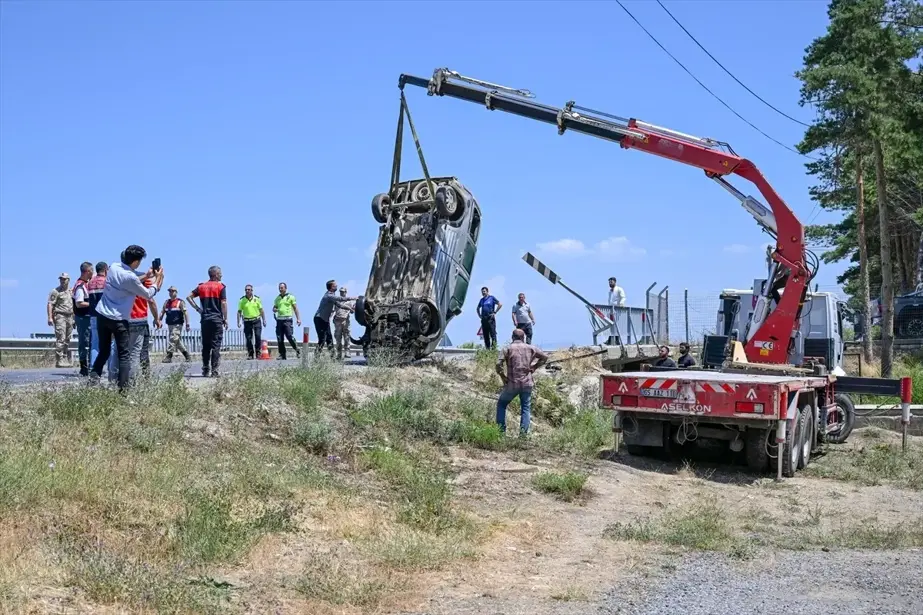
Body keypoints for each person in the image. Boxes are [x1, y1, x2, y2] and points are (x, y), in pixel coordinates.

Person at [90, 245, 164, 393]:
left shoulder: (114, 267)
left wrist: (147, 275)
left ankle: (93, 381)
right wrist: (159, 278)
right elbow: (149, 294)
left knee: (104, 351)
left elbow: (129, 280)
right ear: (136, 261)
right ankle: (123, 390)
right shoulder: (130, 278)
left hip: (102, 315)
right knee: (125, 355)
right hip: (118, 319)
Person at [494, 328, 548, 436]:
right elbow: (545, 357)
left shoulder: (507, 349)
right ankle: (523, 435)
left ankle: (500, 432)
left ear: (512, 337)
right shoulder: (531, 348)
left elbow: (498, 364)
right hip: (527, 383)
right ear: (523, 338)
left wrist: (502, 376)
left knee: (501, 404)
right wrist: (534, 367)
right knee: (525, 408)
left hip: (512, 383)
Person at [187, 266, 228, 377]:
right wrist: (226, 318)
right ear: (215, 274)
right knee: (216, 345)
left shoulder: (202, 287)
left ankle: (205, 369)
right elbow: (223, 304)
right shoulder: (221, 287)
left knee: (206, 345)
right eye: (220, 273)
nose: (221, 275)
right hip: (216, 319)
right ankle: (214, 370)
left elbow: (189, 297)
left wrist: (198, 309)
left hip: (205, 319)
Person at [313, 280, 355, 358]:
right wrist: (353, 298)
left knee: (329, 338)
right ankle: (317, 356)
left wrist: (350, 308)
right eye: (335, 285)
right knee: (322, 339)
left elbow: (340, 305)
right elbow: (340, 299)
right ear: (331, 287)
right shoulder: (329, 295)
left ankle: (332, 357)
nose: (336, 286)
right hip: (319, 319)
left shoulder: (332, 296)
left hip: (325, 320)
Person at [47, 272, 75, 368]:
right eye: (61, 279)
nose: (62, 281)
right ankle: (59, 360)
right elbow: (50, 304)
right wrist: (50, 317)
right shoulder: (56, 291)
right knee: (61, 338)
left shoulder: (72, 291)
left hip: (70, 316)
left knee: (67, 338)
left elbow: (74, 304)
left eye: (64, 279)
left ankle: (65, 357)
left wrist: (74, 318)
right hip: (60, 316)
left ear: (68, 280)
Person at [72, 262, 94, 376]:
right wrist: (92, 304)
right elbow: (79, 303)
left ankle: (89, 366)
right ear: (87, 271)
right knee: (84, 342)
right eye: (91, 270)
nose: (93, 273)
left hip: (87, 317)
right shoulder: (80, 286)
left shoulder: (86, 284)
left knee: (90, 341)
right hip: (83, 318)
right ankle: (84, 367)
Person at [162, 286, 192, 363]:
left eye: (172, 291)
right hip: (170, 325)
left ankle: (169, 356)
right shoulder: (166, 302)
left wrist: (187, 324)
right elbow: (162, 312)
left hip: (178, 324)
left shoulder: (180, 302)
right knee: (177, 341)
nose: (171, 293)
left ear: (176, 292)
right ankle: (187, 355)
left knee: (173, 339)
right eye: (170, 291)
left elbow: (185, 313)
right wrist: (158, 320)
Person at [86, 262, 108, 367]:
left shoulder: (90, 282)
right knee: (110, 342)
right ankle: (110, 368)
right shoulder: (106, 282)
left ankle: (93, 367)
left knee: (95, 343)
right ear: (105, 269)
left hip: (93, 315)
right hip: (105, 315)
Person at [273, 282, 302, 360]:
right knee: (279, 338)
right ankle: (282, 354)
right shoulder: (277, 298)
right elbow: (274, 308)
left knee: (289, 336)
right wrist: (274, 309)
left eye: (282, 288)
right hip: (279, 320)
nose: (280, 289)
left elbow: (295, 308)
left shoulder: (291, 297)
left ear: (285, 288)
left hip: (287, 320)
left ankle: (297, 350)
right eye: (279, 288)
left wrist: (298, 319)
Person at [237, 284, 266, 360]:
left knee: (257, 336)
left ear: (252, 290)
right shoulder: (242, 300)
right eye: (246, 290)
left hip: (256, 320)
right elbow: (239, 312)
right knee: (248, 338)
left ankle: (258, 352)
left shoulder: (257, 299)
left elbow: (261, 310)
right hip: (247, 321)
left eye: (249, 289)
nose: (247, 291)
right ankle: (250, 354)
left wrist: (264, 320)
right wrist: (238, 322)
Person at [332, 286, 355, 360]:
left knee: (347, 337)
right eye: (341, 292)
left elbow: (352, 311)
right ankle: (339, 354)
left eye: (343, 292)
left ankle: (347, 351)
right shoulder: (337, 301)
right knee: (338, 337)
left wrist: (352, 310)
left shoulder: (349, 302)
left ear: (346, 292)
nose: (342, 293)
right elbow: (333, 311)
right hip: (338, 321)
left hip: (346, 321)